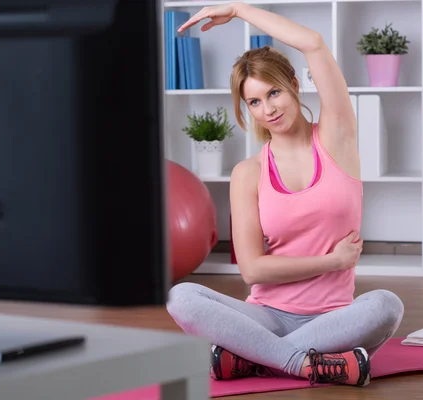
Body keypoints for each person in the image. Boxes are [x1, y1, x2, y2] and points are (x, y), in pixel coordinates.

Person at [166, 2, 404, 387]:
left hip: (333, 317)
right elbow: (253, 270)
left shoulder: (336, 138)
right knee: (181, 296)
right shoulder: (248, 173)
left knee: (387, 305)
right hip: (267, 315)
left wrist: (240, 9)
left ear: (294, 82)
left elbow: (312, 42)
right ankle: (302, 362)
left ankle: (254, 357)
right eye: (254, 102)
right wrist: (332, 261)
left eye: (273, 92)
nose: (268, 109)